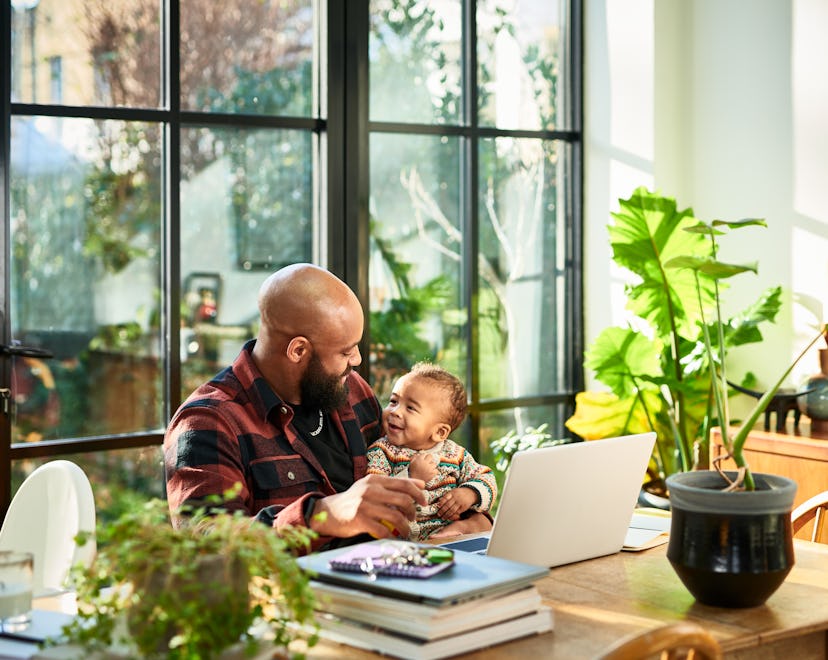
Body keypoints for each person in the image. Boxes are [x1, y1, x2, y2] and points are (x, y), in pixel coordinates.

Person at [163, 263, 491, 553]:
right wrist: (322, 516)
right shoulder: (208, 421)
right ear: (298, 350)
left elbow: (402, 483)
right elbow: (207, 547)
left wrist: (469, 521)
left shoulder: (352, 392)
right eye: (346, 352)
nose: (357, 361)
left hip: (387, 585)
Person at [367, 362, 497, 541]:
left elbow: (486, 478)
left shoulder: (455, 454)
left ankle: (457, 531)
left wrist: (470, 493)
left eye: (410, 408)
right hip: (402, 538)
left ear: (439, 432)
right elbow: (374, 496)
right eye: (393, 401)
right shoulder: (382, 452)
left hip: (446, 531)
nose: (395, 412)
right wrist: (412, 477)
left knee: (483, 524)